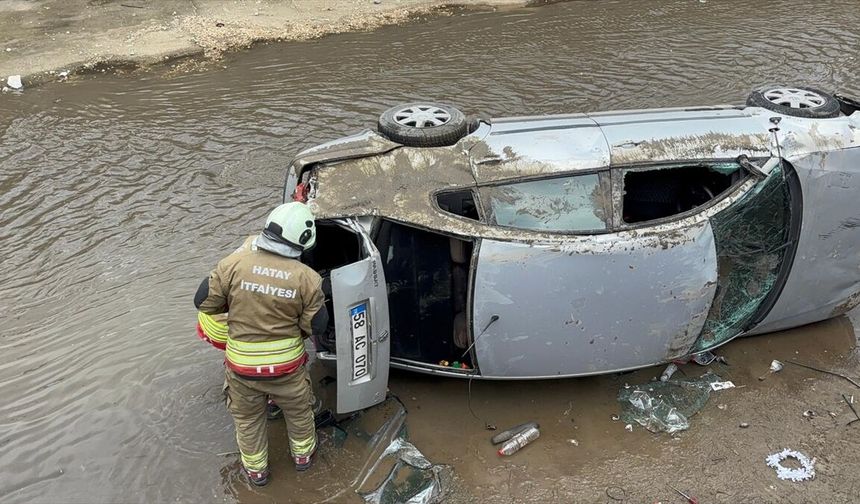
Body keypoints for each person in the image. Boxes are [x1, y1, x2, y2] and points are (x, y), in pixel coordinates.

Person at [194, 202, 328, 487]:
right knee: (299, 413)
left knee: (248, 421)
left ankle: (257, 473)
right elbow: (315, 327)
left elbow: (204, 303)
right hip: (288, 369)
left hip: (242, 370)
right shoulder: (309, 279)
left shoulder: (233, 264)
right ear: (302, 241)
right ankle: (303, 459)